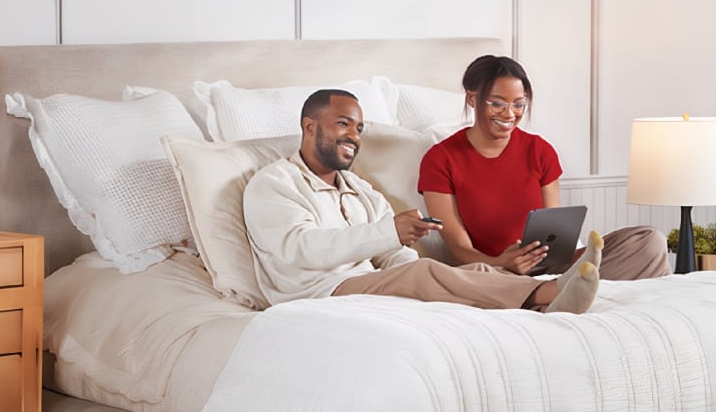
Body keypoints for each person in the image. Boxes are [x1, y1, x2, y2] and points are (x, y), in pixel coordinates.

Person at [243, 88, 601, 314]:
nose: (353, 136)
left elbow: (392, 258)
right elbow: (302, 250)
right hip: (318, 294)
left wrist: (401, 251)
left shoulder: (359, 189)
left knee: (472, 272)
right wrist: (391, 235)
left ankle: (538, 303)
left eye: (359, 128)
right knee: (423, 271)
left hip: (366, 285)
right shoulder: (273, 184)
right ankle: (549, 292)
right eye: (343, 125)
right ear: (309, 127)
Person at [418, 55, 672, 278]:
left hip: (548, 268)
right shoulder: (440, 159)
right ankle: (553, 291)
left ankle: (561, 288)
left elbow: (556, 235)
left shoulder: (539, 151)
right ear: (472, 99)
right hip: (490, 271)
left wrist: (545, 261)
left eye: (518, 104)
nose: (509, 114)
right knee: (482, 277)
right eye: (497, 103)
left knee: (649, 240)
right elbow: (459, 248)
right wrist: (501, 263)